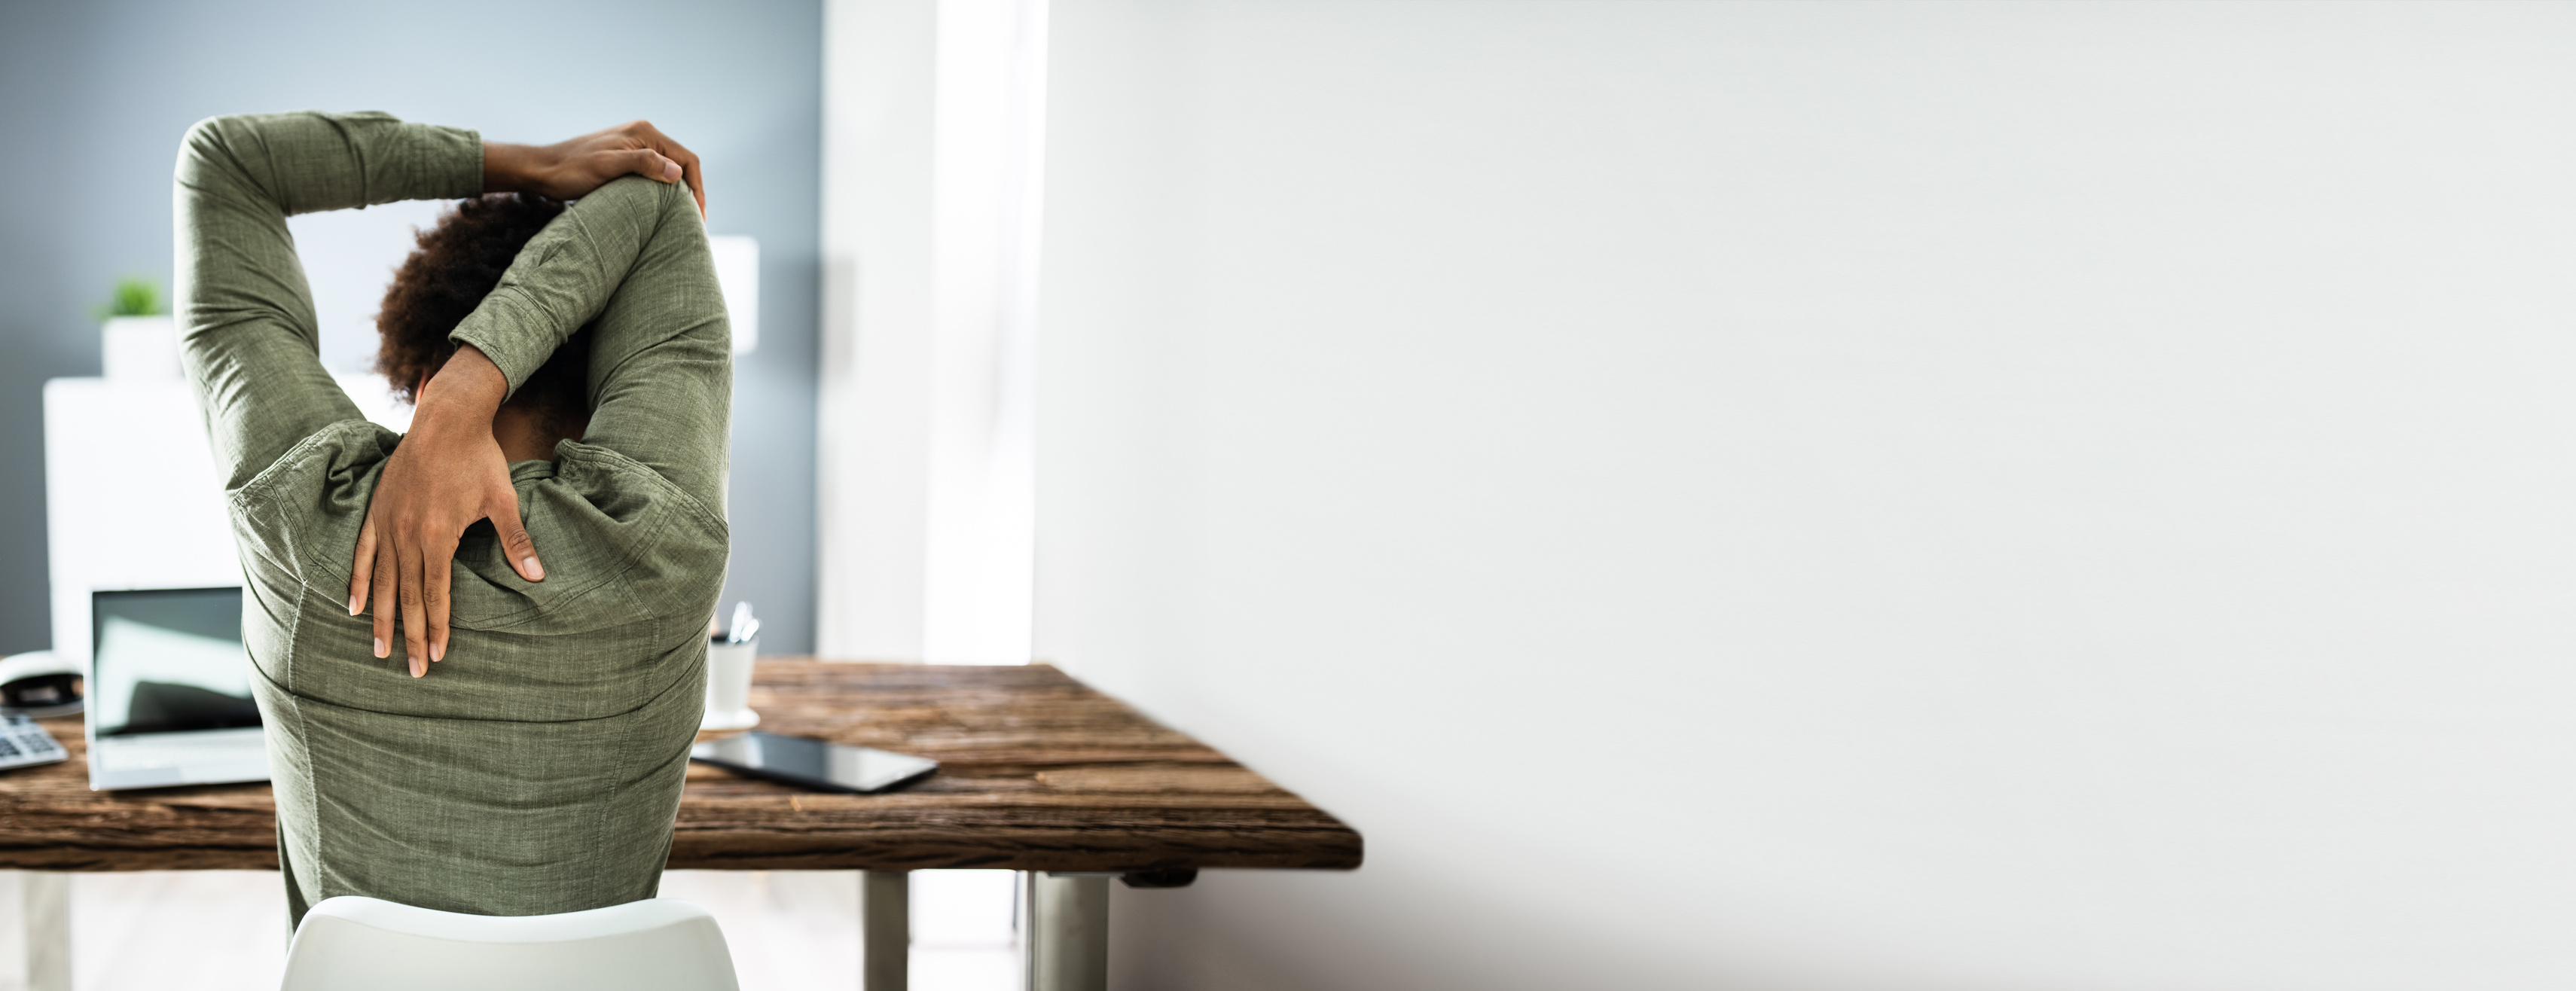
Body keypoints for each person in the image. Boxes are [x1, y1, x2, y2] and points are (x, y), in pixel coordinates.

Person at [174, 111, 729, 926]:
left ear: (418, 378)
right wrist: (484, 371)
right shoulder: (657, 535)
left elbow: (227, 162)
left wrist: (527, 164)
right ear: (615, 367)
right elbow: (657, 195)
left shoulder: (297, 510)